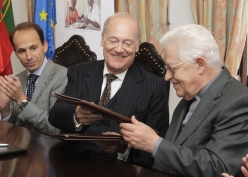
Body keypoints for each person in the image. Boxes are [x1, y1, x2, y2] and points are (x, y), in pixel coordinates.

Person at [119, 24, 248, 177]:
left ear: (200, 65)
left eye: (172, 68)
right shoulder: (190, 94)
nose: (167, 76)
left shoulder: (241, 102)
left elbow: (219, 168)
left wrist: (154, 144)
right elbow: (175, 152)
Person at [49, 12, 169, 166]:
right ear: (102, 39)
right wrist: (76, 116)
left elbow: (156, 143)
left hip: (119, 168)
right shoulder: (79, 71)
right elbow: (55, 115)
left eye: (127, 43)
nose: (119, 49)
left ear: (137, 46)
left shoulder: (154, 86)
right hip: (72, 162)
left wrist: (124, 148)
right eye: (113, 41)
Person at [0, 21, 68, 135]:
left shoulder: (63, 76)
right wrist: (5, 109)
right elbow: (14, 129)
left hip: (48, 149)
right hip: (19, 147)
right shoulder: (15, 80)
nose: (28, 57)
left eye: (33, 48)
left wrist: (21, 100)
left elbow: (55, 129)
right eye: (22, 51)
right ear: (16, 54)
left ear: (45, 46)